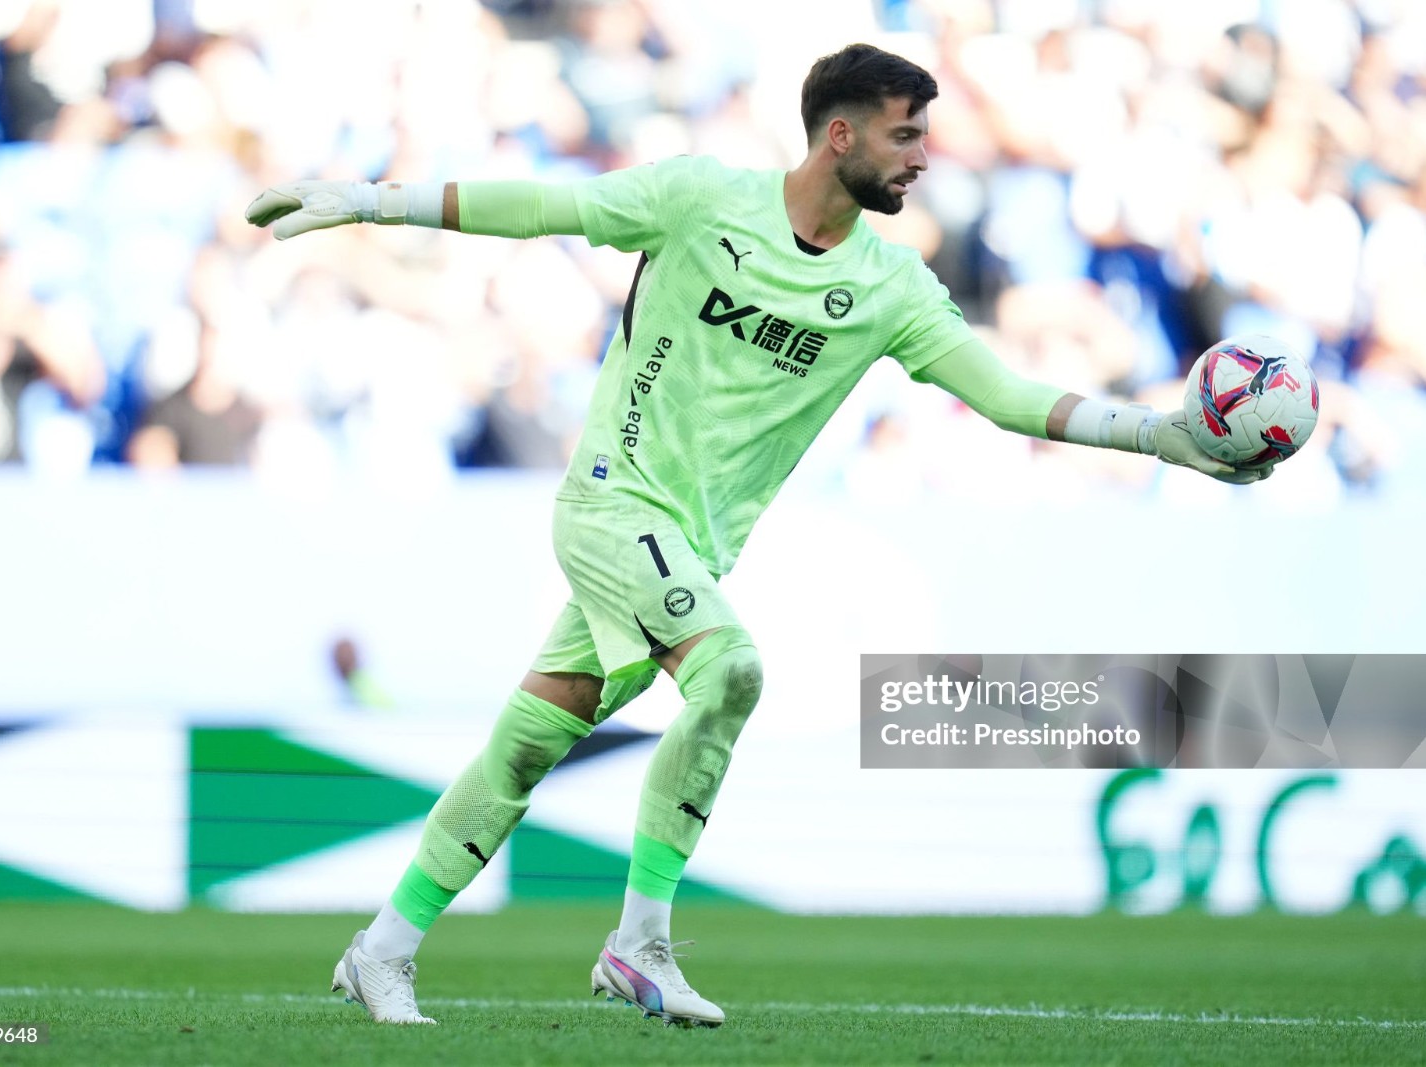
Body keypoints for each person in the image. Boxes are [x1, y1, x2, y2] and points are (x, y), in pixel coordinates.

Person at [246, 43, 1267, 1029]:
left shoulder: (889, 288)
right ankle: (638, 941)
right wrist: (372, 201)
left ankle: (380, 947)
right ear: (838, 136)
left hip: (687, 547)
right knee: (729, 668)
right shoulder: (702, 198)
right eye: (905, 135)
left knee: (525, 745)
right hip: (610, 503)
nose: (921, 156)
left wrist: (1162, 438)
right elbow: (545, 208)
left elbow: (1005, 396)